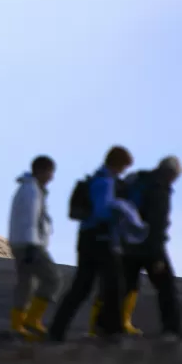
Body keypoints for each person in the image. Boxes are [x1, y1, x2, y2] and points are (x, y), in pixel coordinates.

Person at [47, 145, 146, 341]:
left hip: (86, 238)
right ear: (118, 164)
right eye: (123, 166)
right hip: (101, 239)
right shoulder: (105, 183)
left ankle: (56, 331)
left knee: (82, 286)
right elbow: (102, 212)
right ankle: (112, 331)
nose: (123, 171)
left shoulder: (95, 179)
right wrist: (121, 212)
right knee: (115, 285)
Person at [93, 155, 182, 336]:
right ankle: (171, 329)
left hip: (128, 243)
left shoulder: (139, 180)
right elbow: (157, 223)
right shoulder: (159, 188)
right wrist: (157, 254)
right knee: (166, 287)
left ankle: (104, 324)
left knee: (125, 286)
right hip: (148, 246)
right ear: (171, 173)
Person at [7, 155, 62, 338]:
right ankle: (32, 320)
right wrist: (32, 244)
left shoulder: (29, 189)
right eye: (50, 172)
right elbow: (29, 219)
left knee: (26, 283)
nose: (51, 177)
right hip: (29, 244)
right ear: (41, 171)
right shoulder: (31, 191)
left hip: (21, 242)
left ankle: (18, 325)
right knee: (53, 278)